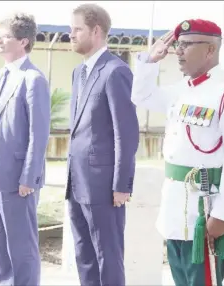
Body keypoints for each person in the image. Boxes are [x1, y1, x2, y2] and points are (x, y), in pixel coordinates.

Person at [131, 19, 224, 286]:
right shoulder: (182, 90)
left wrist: (223, 215)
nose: (178, 51)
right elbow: (141, 96)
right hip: (175, 212)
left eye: (186, 45)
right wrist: (150, 62)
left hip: (205, 213)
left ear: (210, 50)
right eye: (178, 44)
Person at [0, 12, 51, 286]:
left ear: (23, 41)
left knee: (21, 247)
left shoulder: (33, 79)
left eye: (5, 37)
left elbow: (38, 135)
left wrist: (30, 177)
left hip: (17, 177)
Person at [66, 3, 139, 286]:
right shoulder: (78, 73)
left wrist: (122, 184)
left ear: (96, 31)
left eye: (77, 29)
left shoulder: (115, 72)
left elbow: (126, 133)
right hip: (77, 183)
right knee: (84, 255)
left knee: (107, 256)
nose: (70, 35)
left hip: (105, 186)